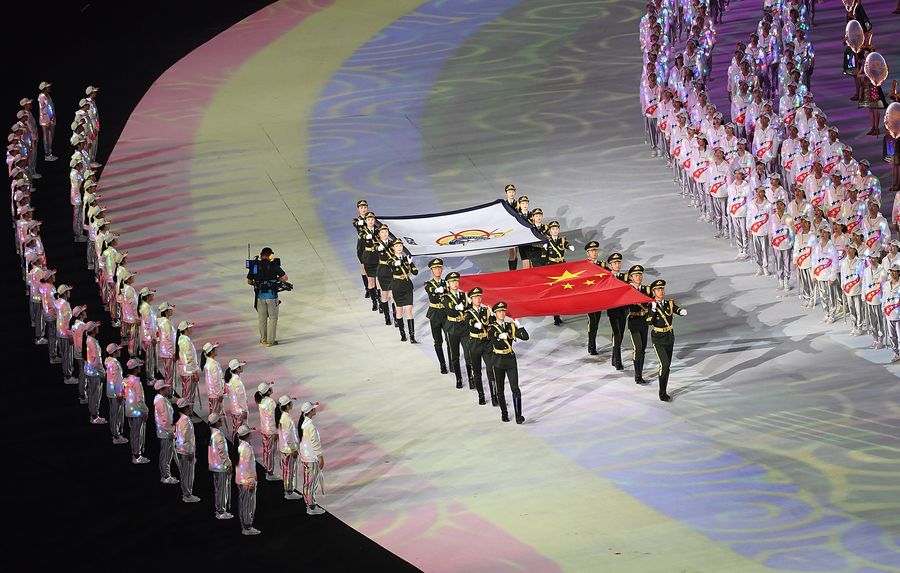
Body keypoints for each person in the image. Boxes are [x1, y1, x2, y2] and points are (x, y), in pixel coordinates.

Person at [487, 302, 530, 424]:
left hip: (510, 360)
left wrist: (519, 326)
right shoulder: (492, 328)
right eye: (499, 312)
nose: (502, 314)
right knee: (500, 389)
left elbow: (525, 337)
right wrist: (499, 336)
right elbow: (490, 336)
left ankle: (518, 416)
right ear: (495, 313)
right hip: (498, 360)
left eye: (503, 311)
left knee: (515, 388)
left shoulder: (509, 326)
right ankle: (504, 412)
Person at [646, 280, 687, 402]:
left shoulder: (669, 303)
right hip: (658, 338)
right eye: (658, 290)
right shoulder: (650, 305)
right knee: (664, 364)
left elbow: (676, 309)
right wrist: (653, 310)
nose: (661, 292)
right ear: (653, 292)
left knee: (667, 365)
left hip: (669, 336)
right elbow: (649, 322)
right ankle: (662, 393)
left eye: (662, 289)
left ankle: (664, 389)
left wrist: (681, 311)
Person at [246, 247, 288, 346]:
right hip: (272, 297)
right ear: (270, 256)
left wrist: (258, 284)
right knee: (273, 319)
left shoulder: (255, 266)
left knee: (262, 319)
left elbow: (249, 281)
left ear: (260, 255)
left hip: (260, 297)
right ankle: (270, 341)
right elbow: (285, 277)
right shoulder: (274, 265)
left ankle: (263, 340)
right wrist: (276, 280)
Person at [463, 287, 495, 405]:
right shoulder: (468, 313)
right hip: (475, 343)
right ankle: (481, 395)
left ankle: (494, 395)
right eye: (475, 297)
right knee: (477, 371)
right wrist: (475, 324)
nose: (478, 299)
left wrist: (492, 316)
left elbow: (491, 324)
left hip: (486, 342)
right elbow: (468, 322)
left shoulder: (486, 310)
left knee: (491, 369)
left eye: (479, 297)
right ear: (471, 299)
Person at [441, 272, 471, 389]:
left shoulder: (463, 295)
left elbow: (468, 309)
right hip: (452, 327)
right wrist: (456, 307)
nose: (455, 283)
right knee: (455, 355)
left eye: (456, 281)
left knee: (468, 353)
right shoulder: (446, 297)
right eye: (452, 282)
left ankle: (471, 377)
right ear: (448, 284)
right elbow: (448, 307)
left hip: (464, 327)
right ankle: (459, 378)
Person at [542, 221, 575, 325]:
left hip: (562, 266)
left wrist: (569, 246)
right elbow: (544, 257)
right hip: (552, 267)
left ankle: (561, 311)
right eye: (553, 229)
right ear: (550, 231)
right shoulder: (547, 242)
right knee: (554, 292)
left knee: (563, 290)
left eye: (556, 229)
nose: (555, 231)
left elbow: (566, 244)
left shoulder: (562, 239)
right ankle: (556, 316)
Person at [299, 401, 326, 515]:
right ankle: (311, 506)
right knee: (312, 483)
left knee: (307, 482)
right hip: (311, 458)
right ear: (310, 411)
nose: (315, 409)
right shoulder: (310, 426)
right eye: (313, 408)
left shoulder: (303, 424)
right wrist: (320, 457)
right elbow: (315, 443)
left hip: (305, 457)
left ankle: (308, 503)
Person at [626, 265, 652, 384]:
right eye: (636, 275)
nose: (639, 277)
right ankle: (638, 376)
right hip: (634, 321)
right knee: (638, 348)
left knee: (643, 349)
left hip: (644, 321)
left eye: (640, 275)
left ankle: (640, 373)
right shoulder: (628, 290)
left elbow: (652, 303)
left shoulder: (647, 290)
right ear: (631, 277)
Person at [389, 239, 418, 342]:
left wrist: (410, 264)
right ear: (393, 248)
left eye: (400, 246)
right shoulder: (391, 259)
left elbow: (415, 272)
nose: (399, 248)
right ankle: (403, 334)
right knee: (399, 311)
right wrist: (398, 263)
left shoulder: (407, 259)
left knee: (409, 311)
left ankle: (412, 336)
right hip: (397, 286)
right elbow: (392, 264)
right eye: (396, 246)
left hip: (407, 285)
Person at [424, 258, 449, 374]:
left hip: (446, 313)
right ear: (432, 270)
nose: (438, 270)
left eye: (439, 268)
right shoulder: (429, 284)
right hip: (435, 314)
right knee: (438, 341)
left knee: (449, 340)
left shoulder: (446, 283)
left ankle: (452, 363)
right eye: (435, 268)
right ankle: (442, 364)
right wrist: (438, 289)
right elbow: (430, 290)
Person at [235, 425, 261, 535]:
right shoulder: (247, 448)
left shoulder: (239, 445)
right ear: (247, 435)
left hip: (240, 479)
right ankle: (247, 526)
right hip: (247, 480)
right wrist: (251, 480)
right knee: (248, 504)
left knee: (243, 503)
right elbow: (247, 466)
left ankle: (244, 524)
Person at [123, 358, 150, 464]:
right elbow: (140, 399)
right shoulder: (136, 382)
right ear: (135, 369)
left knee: (133, 433)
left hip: (129, 410)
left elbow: (123, 394)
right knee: (138, 434)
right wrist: (145, 411)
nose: (140, 368)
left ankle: (135, 453)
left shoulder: (125, 380)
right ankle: (137, 455)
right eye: (138, 366)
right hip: (137, 411)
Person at [811, 225, 839, 323]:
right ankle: (826, 313)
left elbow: (835, 263)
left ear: (828, 234)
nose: (822, 234)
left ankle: (832, 314)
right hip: (820, 276)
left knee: (831, 296)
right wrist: (814, 275)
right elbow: (814, 261)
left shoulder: (832, 248)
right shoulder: (817, 247)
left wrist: (832, 277)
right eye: (821, 232)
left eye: (824, 232)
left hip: (829, 277)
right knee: (823, 296)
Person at [208, 413, 233, 520]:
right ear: (217, 422)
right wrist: (228, 464)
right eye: (220, 420)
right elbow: (223, 452)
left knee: (218, 488)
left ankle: (219, 508)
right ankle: (221, 511)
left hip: (214, 465)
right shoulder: (219, 435)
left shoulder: (212, 433)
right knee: (222, 489)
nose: (222, 421)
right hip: (221, 466)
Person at [174, 398, 200, 503]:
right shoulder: (185, 421)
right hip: (186, 452)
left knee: (185, 473)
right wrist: (190, 452)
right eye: (188, 406)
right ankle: (187, 494)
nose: (190, 408)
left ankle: (186, 493)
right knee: (188, 474)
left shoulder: (181, 419)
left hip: (181, 450)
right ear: (185, 408)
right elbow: (186, 438)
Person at [153, 379, 179, 484]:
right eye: (166, 388)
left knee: (166, 454)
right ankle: (166, 476)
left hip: (164, 431)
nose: (168, 389)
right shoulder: (162, 402)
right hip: (166, 432)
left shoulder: (160, 400)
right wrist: (170, 431)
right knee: (166, 456)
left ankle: (166, 475)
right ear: (162, 389)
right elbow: (165, 420)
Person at [606, 253, 628, 371]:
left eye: (619, 262)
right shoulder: (607, 277)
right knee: (617, 334)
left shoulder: (625, 277)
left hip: (623, 309)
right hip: (613, 309)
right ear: (610, 265)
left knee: (621, 334)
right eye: (615, 263)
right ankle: (618, 361)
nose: (617, 265)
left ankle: (614, 358)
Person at [254, 382, 280, 481]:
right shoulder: (270, 402)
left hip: (264, 429)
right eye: (270, 388)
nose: (272, 388)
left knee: (266, 451)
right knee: (270, 452)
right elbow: (273, 418)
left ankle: (266, 469)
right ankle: (270, 473)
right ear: (268, 391)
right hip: (270, 431)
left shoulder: (261, 401)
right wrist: (275, 431)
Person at [278, 395, 302, 500]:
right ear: (287, 406)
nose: (292, 404)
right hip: (288, 450)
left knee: (287, 470)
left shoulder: (284, 417)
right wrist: (293, 449)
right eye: (291, 402)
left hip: (284, 448)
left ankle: (288, 490)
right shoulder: (286, 419)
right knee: (290, 471)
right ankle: (289, 491)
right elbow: (288, 436)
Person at [584, 241, 605, 356]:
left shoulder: (602, 265)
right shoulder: (584, 265)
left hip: (599, 298)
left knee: (596, 322)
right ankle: (591, 346)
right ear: (588, 253)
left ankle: (592, 344)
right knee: (592, 322)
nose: (594, 253)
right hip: (589, 298)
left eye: (596, 250)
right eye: (592, 251)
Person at [104, 342, 128, 444]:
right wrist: (119, 394)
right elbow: (117, 380)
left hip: (110, 391)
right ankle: (116, 435)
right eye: (118, 350)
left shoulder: (108, 361)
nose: (120, 351)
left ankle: (115, 432)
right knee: (116, 414)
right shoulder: (115, 364)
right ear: (114, 352)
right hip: (116, 393)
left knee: (113, 413)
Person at [84, 321, 107, 425]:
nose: (98, 328)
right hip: (95, 372)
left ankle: (92, 415)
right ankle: (95, 416)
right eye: (96, 327)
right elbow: (97, 360)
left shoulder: (88, 339)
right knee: (95, 395)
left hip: (89, 370)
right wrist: (102, 373)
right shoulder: (93, 342)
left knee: (91, 394)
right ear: (93, 330)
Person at [863, 249, 887, 349]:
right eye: (870, 258)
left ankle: (881, 339)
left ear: (877, 258)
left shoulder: (882, 270)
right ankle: (875, 338)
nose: (871, 260)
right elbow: (864, 284)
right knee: (872, 321)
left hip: (878, 300)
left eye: (873, 258)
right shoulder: (866, 270)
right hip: (869, 300)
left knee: (879, 320)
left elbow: (885, 286)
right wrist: (863, 296)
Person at [770, 198, 795, 291]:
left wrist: (792, 242)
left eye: (781, 204)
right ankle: (780, 280)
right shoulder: (773, 217)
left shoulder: (788, 217)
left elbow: (792, 231)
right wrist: (771, 239)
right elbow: (770, 229)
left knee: (786, 263)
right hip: (776, 244)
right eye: (777, 204)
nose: (779, 206)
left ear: (784, 206)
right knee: (778, 262)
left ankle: (786, 281)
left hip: (786, 243)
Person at [175, 320, 200, 412]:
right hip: (189, 372)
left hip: (185, 371)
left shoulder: (182, 340)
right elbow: (189, 358)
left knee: (186, 392)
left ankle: (186, 412)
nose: (191, 329)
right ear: (185, 329)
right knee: (189, 394)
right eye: (189, 328)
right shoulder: (185, 341)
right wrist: (195, 372)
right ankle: (188, 413)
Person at [841, 244, 866, 336]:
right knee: (851, 309)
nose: (848, 250)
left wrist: (860, 287)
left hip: (857, 289)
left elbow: (862, 277)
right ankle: (853, 326)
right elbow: (843, 275)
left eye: (851, 248)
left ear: (855, 250)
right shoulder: (844, 262)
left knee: (859, 309)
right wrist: (843, 284)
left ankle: (859, 327)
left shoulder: (860, 262)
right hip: (848, 290)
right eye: (847, 248)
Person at [747, 186, 772, 276]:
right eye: (757, 192)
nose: (758, 193)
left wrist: (770, 230)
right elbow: (749, 217)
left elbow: (771, 219)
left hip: (764, 231)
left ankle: (765, 267)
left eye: (760, 192)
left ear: (764, 193)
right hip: (755, 231)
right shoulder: (751, 204)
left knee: (765, 250)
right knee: (757, 250)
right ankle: (759, 267)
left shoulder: (768, 205)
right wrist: (748, 228)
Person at [357, 212, 380, 311]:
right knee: (371, 281)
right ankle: (374, 301)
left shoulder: (378, 231)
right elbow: (360, 249)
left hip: (378, 258)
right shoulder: (363, 233)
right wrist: (362, 260)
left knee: (378, 281)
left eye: (372, 219)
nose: (371, 221)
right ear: (366, 221)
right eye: (369, 219)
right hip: (368, 259)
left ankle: (380, 301)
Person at [374, 224, 395, 326]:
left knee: (393, 295)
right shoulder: (377, 244)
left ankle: (395, 316)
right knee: (385, 294)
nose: (385, 234)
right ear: (379, 234)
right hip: (383, 271)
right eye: (382, 232)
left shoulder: (393, 243)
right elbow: (377, 249)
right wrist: (381, 247)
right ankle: (387, 316)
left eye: (386, 231)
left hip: (392, 270)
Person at [54, 284, 75, 383]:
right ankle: (67, 376)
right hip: (66, 333)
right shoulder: (65, 305)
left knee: (64, 354)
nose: (69, 292)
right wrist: (70, 335)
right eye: (68, 291)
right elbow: (68, 321)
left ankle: (67, 369)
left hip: (60, 331)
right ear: (65, 294)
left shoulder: (57, 302)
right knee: (67, 355)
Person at [794, 216, 815, 307]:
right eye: (802, 222)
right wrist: (795, 260)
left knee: (810, 281)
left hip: (810, 262)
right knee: (804, 281)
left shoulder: (813, 236)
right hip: (801, 262)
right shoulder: (798, 236)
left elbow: (815, 250)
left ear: (809, 224)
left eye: (805, 222)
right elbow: (796, 248)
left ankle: (812, 298)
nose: (803, 224)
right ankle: (806, 298)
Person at [138, 287, 158, 383]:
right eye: (151, 294)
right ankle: (150, 378)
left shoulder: (147, 306)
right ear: (147, 296)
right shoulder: (146, 308)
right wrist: (152, 337)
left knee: (151, 358)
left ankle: (151, 376)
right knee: (150, 359)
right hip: (149, 338)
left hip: (149, 337)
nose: (153, 295)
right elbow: (148, 324)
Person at [226, 359, 249, 442]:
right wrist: (244, 410)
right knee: (240, 431)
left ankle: (236, 445)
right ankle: (237, 446)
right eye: (240, 366)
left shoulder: (232, 379)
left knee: (236, 428)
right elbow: (241, 397)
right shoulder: (237, 382)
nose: (242, 367)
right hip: (239, 411)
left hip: (235, 409)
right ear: (237, 369)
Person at [353, 199, 372, 299]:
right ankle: (367, 288)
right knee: (363, 267)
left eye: (365, 207)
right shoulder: (356, 220)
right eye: (361, 208)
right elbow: (357, 224)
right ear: (358, 209)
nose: (363, 209)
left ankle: (374, 288)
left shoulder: (371, 218)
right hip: (362, 246)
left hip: (371, 245)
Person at [201, 342, 224, 416]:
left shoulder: (209, 363)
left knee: (214, 413)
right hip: (215, 394)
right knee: (215, 415)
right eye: (215, 349)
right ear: (211, 352)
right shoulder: (213, 364)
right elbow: (216, 380)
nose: (217, 350)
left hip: (212, 393)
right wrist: (219, 394)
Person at [157, 301, 176, 387]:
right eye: (170, 309)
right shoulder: (167, 323)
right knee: (169, 373)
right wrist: (173, 353)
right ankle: (169, 391)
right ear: (166, 311)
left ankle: (168, 389)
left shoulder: (160, 321)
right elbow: (170, 339)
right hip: (169, 352)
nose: (172, 311)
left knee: (167, 372)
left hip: (163, 350)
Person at [884, 263, 900, 362]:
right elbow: (884, 298)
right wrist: (883, 309)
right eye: (891, 271)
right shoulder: (886, 284)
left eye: (894, 271)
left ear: (898, 273)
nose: (892, 273)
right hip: (889, 314)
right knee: (892, 335)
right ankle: (895, 353)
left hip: (898, 315)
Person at [37, 82, 56, 161]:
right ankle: (47, 154)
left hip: (51, 118)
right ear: (44, 89)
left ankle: (49, 152)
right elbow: (42, 110)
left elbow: (50, 107)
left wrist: (52, 118)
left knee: (51, 136)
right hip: (46, 119)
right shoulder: (42, 96)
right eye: (48, 87)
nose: (49, 88)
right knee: (46, 137)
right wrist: (47, 120)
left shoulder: (48, 95)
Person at [504, 184, 519, 270]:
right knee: (511, 252)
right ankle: (511, 272)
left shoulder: (518, 204)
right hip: (509, 230)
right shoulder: (504, 205)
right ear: (506, 193)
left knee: (516, 252)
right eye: (509, 192)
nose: (511, 193)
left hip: (517, 229)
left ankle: (514, 271)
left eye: (513, 191)